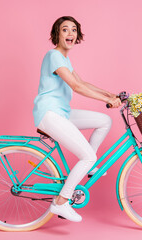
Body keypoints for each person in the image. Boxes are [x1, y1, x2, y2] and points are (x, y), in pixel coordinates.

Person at [32, 16, 121, 222]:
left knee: (104, 121)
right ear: (57, 34)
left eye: (73, 30)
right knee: (88, 156)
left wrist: (110, 95)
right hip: (50, 114)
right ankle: (61, 202)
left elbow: (82, 82)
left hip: (61, 112)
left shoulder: (64, 58)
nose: (70, 33)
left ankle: (90, 167)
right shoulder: (53, 55)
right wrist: (106, 100)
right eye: (65, 30)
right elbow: (76, 87)